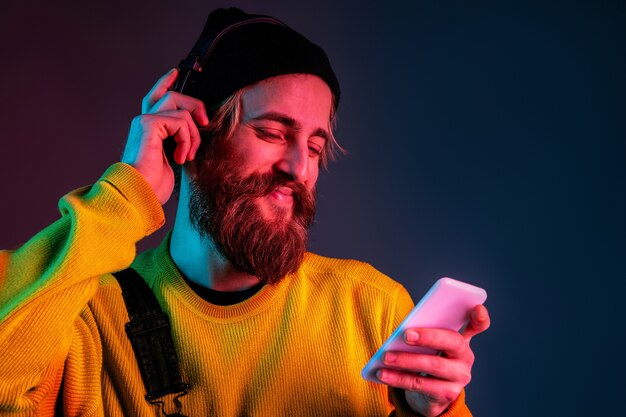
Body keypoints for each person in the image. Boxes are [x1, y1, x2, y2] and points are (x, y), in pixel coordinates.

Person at [0, 7, 490, 417]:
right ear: (193, 136)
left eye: (315, 147)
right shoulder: (82, 312)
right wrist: (126, 196)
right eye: (273, 133)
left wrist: (437, 413)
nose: (299, 168)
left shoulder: (372, 310)